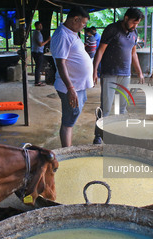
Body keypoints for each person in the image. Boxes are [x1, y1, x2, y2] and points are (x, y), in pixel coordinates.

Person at [92, 7, 145, 144]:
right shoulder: (112, 29)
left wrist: (139, 72)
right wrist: (95, 70)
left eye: (138, 23)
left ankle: (118, 134)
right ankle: (98, 135)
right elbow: (100, 50)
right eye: (134, 22)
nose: (135, 26)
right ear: (126, 18)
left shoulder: (134, 33)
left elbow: (133, 53)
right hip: (109, 74)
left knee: (122, 107)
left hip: (125, 74)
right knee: (106, 108)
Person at [50, 6, 93, 147]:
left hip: (78, 85)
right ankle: (66, 152)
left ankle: (67, 149)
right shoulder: (62, 35)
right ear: (75, 19)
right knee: (68, 122)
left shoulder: (71, 33)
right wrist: (70, 88)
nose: (84, 26)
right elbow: (60, 63)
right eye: (83, 23)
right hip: (71, 86)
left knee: (72, 118)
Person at [31, 21, 51, 86]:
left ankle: (37, 81)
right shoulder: (37, 34)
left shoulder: (35, 32)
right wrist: (48, 40)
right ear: (36, 26)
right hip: (38, 52)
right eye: (39, 25)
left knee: (38, 67)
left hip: (35, 51)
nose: (41, 27)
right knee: (38, 67)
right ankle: (37, 82)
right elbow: (40, 44)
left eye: (41, 25)